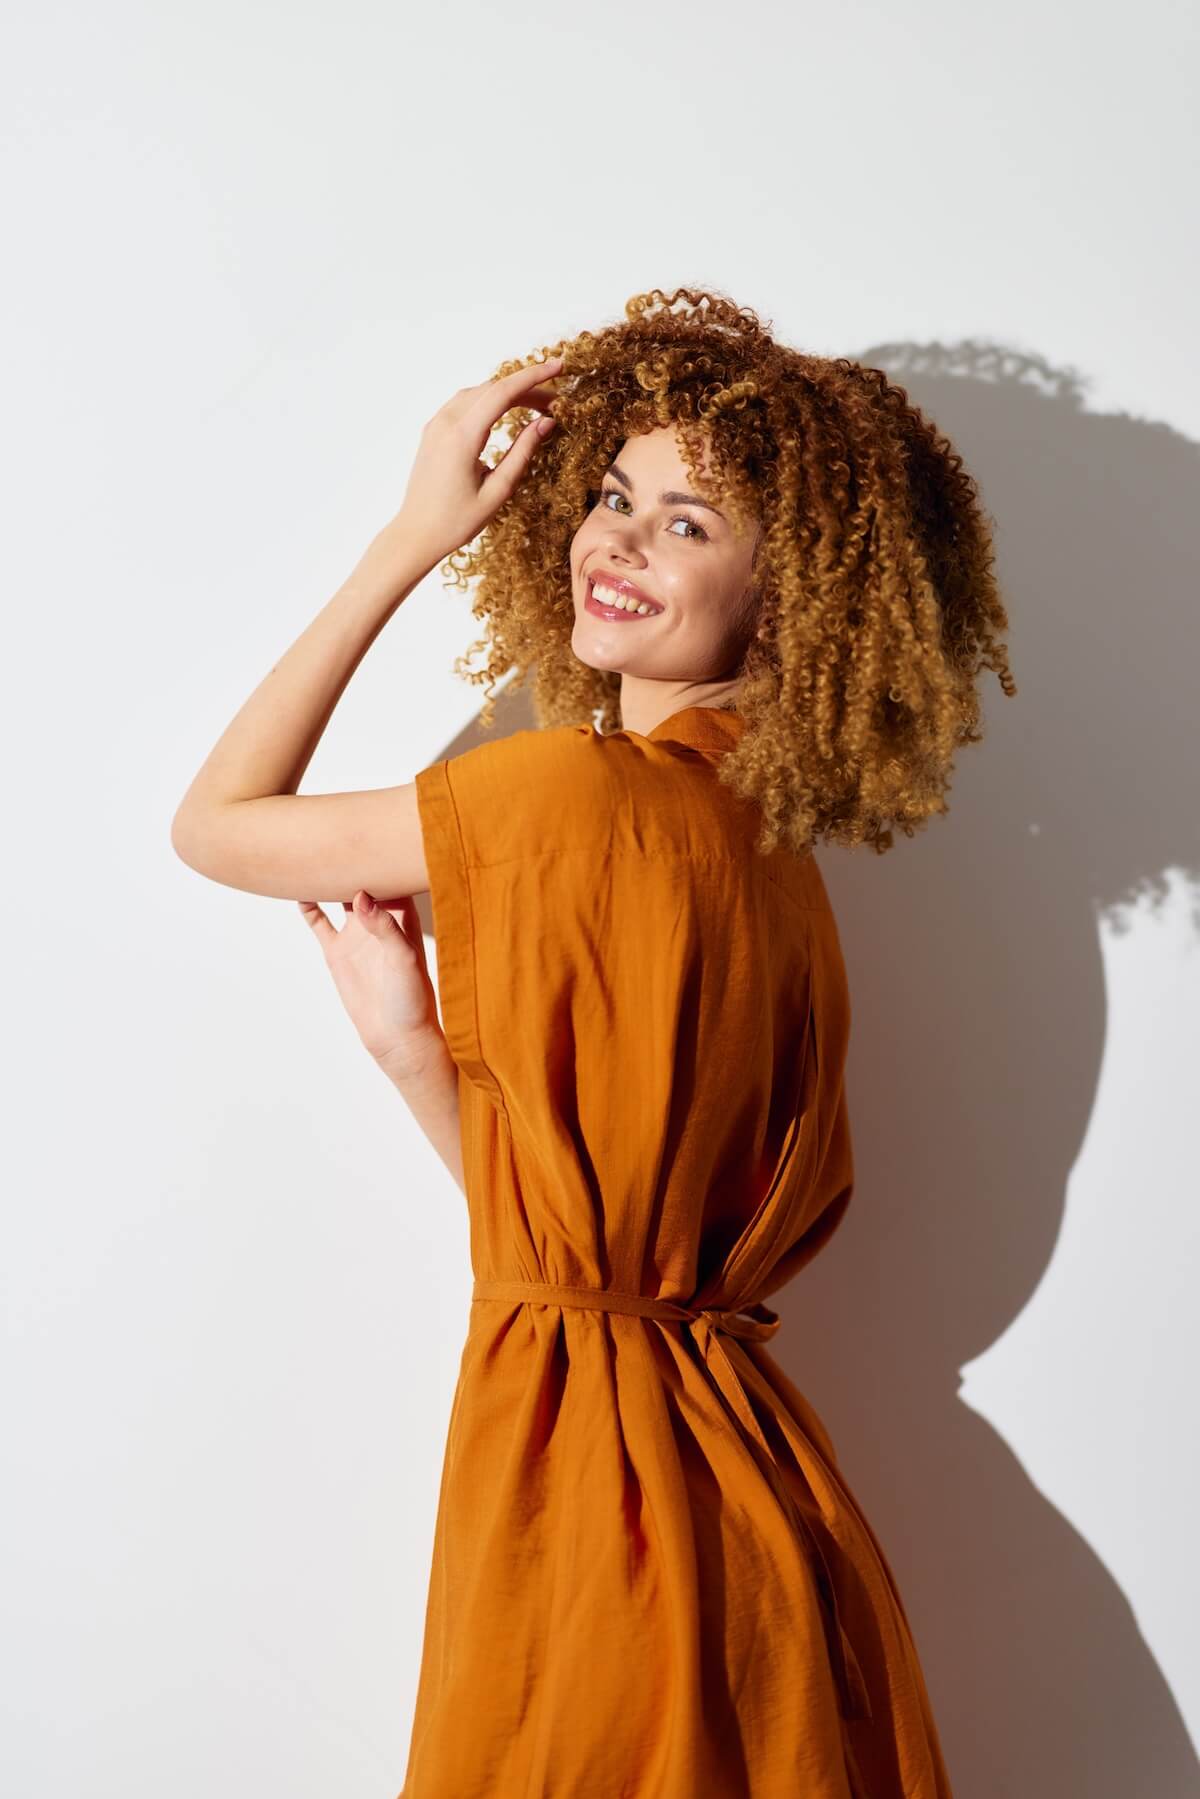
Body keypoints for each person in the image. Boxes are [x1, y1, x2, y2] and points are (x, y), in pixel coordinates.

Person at [171, 286, 1015, 1797]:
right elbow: (593, 1249)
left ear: (790, 590)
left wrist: (411, 537)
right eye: (614, 497)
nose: (619, 541)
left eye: (691, 524)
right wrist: (419, 1054)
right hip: (751, 1508)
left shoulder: (569, 794)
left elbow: (218, 828)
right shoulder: (768, 855)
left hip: (591, 1496)